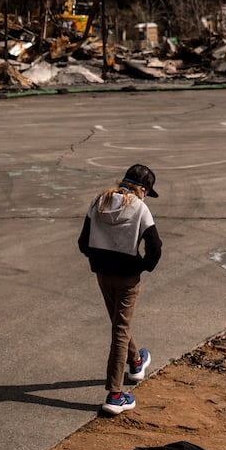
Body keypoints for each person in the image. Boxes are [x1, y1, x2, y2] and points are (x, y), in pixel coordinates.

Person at [77, 163, 162, 415]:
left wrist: (98, 258)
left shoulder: (99, 201)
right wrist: (143, 266)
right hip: (127, 276)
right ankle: (115, 395)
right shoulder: (140, 208)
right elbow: (155, 247)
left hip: (102, 274)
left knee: (118, 323)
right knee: (120, 330)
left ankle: (136, 362)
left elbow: (83, 242)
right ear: (143, 190)